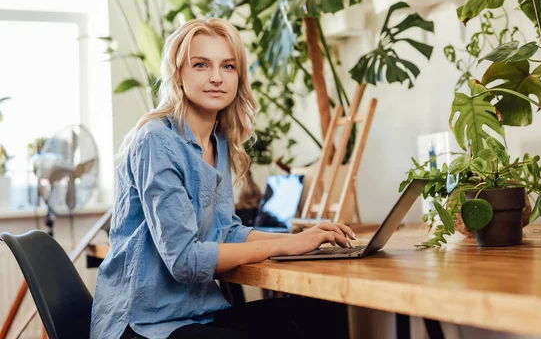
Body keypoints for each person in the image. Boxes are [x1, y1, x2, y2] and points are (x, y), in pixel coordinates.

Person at [91, 18, 355, 339]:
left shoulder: (218, 141)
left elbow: (225, 231)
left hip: (198, 313)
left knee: (318, 312)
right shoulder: (156, 141)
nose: (216, 78)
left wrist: (308, 240)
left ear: (239, 77)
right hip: (145, 324)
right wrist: (289, 243)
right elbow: (185, 261)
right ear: (179, 73)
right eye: (201, 65)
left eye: (228, 67)